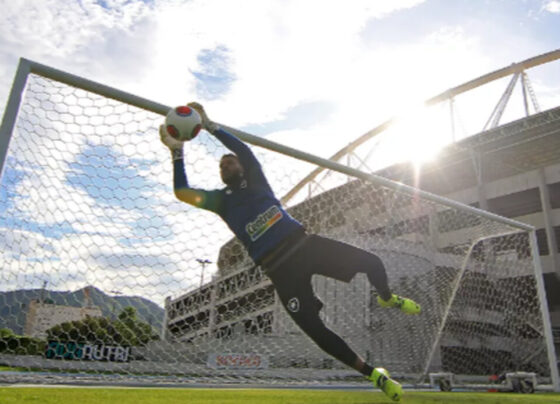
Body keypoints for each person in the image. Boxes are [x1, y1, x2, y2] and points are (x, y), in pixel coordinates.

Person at [160, 102, 421, 402]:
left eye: (230, 161)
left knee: (371, 262)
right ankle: (375, 375)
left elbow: (242, 149)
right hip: (280, 272)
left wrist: (210, 125)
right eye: (221, 165)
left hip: (305, 246)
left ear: (242, 167)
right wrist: (176, 151)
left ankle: (387, 298)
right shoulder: (221, 201)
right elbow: (182, 192)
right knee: (316, 331)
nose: (226, 164)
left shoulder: (255, 178)